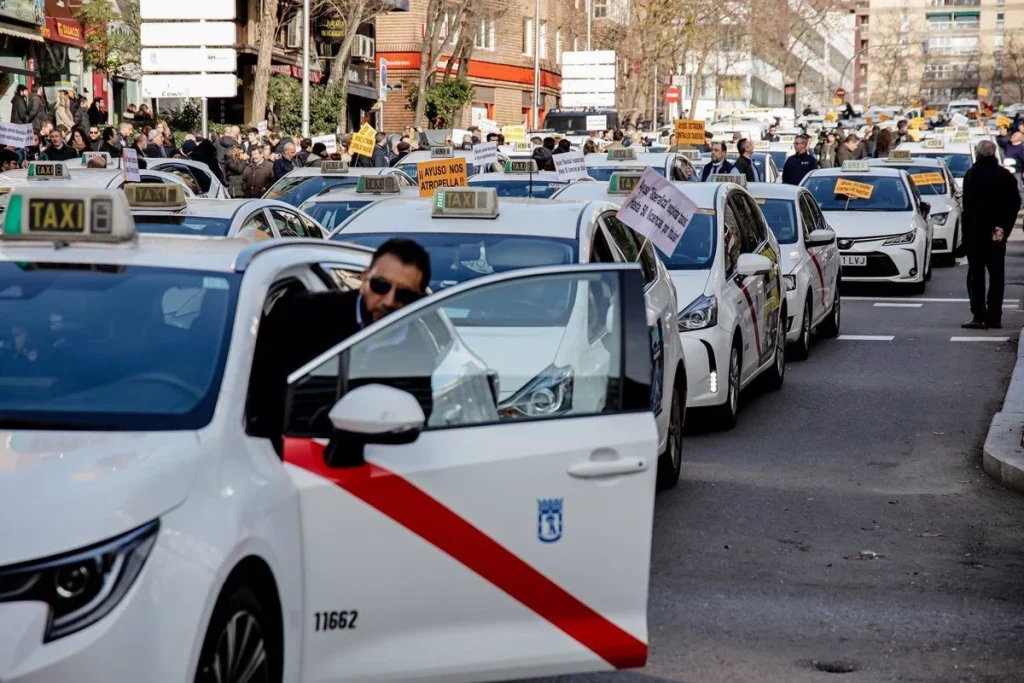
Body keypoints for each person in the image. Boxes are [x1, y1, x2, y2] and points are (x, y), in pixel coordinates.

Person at [246, 238, 432, 441]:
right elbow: (259, 385)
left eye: (404, 294)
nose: (388, 301)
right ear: (364, 280)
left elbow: (417, 418)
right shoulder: (306, 314)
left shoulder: (420, 347)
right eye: (380, 285)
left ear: (419, 299)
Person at [961, 140, 1022, 329]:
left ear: (978, 154)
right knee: (997, 277)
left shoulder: (972, 174)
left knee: (976, 275)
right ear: (994, 153)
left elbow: (967, 206)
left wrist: (965, 235)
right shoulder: (1006, 176)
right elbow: (1015, 203)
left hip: (976, 233)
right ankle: (995, 316)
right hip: (997, 233)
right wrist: (1003, 227)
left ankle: (979, 315)